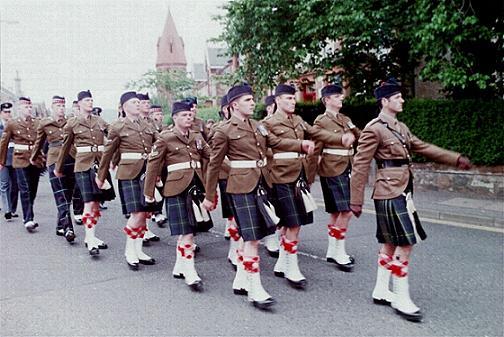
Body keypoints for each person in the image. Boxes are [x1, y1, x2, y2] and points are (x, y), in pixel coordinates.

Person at [349, 78, 472, 322]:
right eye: (397, 97)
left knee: (390, 243)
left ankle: (382, 289)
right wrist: (356, 200)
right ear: (385, 101)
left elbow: (422, 147)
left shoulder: (401, 127)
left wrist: (454, 158)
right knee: (406, 242)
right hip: (388, 191)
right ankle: (401, 297)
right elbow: (360, 164)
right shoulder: (374, 128)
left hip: (402, 189)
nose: (402, 99)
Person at [202, 83, 315, 309]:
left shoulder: (258, 126)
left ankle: (241, 279)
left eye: (253, 99)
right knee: (252, 237)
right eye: (247, 100)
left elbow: (276, 142)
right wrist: (209, 194)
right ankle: (255, 289)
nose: (253, 103)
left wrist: (300, 144)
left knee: (251, 235)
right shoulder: (224, 130)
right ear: (234, 105)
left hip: (261, 184)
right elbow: (214, 164)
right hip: (241, 187)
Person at [262, 84, 345, 290]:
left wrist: (339, 138)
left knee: (293, 221)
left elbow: (317, 133)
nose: (293, 101)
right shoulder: (267, 123)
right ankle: (292, 267)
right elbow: (272, 144)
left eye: (293, 98)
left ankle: (283, 261)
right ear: (277, 100)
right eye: (288, 98)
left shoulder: (298, 120)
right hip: (280, 177)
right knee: (292, 222)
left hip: (297, 176)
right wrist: (299, 146)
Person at [144, 100, 212, 290]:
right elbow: (153, 164)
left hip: (196, 186)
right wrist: (149, 192)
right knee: (187, 231)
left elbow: (212, 156)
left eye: (190, 115)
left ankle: (180, 265)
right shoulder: (166, 137)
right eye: (184, 115)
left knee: (190, 230)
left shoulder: (197, 136)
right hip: (176, 188)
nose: (189, 117)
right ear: (174, 118)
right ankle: (190, 271)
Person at [96, 91, 156, 270]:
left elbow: (158, 145)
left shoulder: (147, 125)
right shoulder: (117, 126)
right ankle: (130, 250)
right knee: (136, 212)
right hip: (128, 172)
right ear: (123, 107)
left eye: (139, 102)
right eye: (133, 102)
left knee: (144, 213)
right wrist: (101, 176)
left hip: (146, 171)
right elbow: (108, 153)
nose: (138, 104)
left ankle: (138, 250)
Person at [54, 90, 115, 256]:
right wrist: (58, 168)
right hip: (82, 166)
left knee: (96, 203)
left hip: (99, 165)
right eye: (87, 100)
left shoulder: (99, 120)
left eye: (91, 100)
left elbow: (114, 134)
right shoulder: (72, 123)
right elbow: (65, 147)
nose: (90, 102)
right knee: (88, 202)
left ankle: (92, 236)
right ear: (79, 103)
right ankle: (90, 238)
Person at [313, 84, 360, 271]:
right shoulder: (320, 121)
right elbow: (316, 150)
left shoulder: (345, 119)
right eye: (337, 96)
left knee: (336, 212)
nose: (342, 98)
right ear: (327, 100)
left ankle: (332, 250)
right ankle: (340, 252)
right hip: (331, 168)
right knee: (346, 210)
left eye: (341, 95)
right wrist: (308, 176)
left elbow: (361, 136)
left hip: (347, 166)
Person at [31, 95, 77, 242]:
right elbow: (39, 143)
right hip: (54, 160)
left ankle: (60, 226)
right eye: (58, 106)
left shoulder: (71, 122)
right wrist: (33, 157)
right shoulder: (45, 124)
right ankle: (68, 228)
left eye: (63, 106)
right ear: (52, 107)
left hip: (71, 158)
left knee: (68, 195)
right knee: (60, 195)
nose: (61, 109)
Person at [0, 97, 44, 231]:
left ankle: (28, 214)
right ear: (19, 109)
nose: (29, 109)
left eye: (30, 107)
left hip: (35, 159)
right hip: (20, 159)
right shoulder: (12, 123)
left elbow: (43, 140)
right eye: (25, 107)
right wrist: (1, 161)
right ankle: (28, 219)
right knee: (24, 189)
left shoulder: (37, 123)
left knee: (32, 190)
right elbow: (4, 143)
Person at [137, 92, 165, 237]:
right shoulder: (134, 121)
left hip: (152, 162)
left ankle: (146, 228)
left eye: (148, 103)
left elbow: (159, 140)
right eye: (143, 103)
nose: (146, 105)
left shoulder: (151, 123)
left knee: (150, 197)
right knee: (141, 199)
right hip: (136, 164)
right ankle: (141, 230)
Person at [260, 94, 280, 257]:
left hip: (288, 170)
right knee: (271, 204)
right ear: (270, 108)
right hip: (271, 169)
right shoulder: (264, 125)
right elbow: (261, 149)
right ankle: (271, 238)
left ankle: (281, 237)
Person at [0, 102, 19, 220]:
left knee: (15, 185)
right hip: (2, 159)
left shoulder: (15, 125)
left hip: (15, 158)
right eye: (5, 112)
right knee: (4, 184)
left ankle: (12, 209)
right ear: (1, 113)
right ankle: (7, 209)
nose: (8, 114)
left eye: (9, 112)